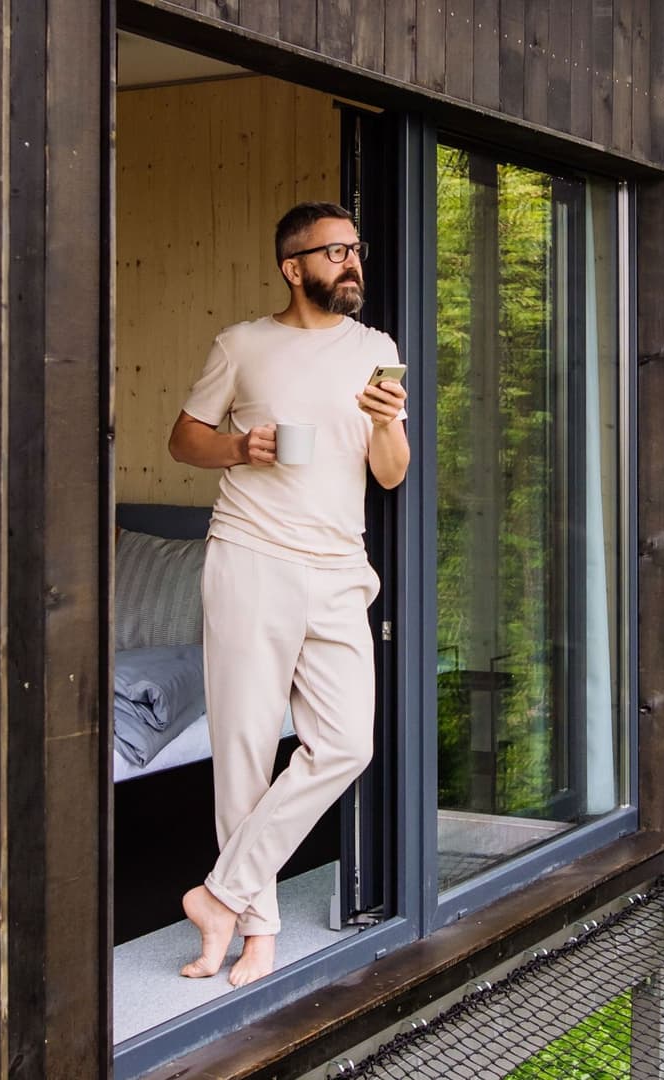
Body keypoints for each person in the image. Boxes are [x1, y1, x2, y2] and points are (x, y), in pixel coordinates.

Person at [166, 201, 410, 988]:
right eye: (333, 251)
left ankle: (221, 896)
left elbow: (390, 472)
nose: (351, 262)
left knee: (346, 743)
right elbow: (184, 439)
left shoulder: (377, 350)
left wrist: (386, 423)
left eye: (355, 248)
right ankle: (252, 937)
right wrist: (242, 445)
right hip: (251, 558)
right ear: (293, 266)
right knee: (240, 748)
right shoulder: (242, 345)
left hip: (340, 567)